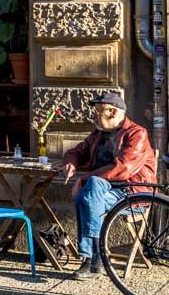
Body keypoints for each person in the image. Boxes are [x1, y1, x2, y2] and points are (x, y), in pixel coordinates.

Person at [62, 91, 157, 280]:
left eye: (98, 112)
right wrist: (71, 161)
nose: (93, 117)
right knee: (90, 192)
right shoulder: (99, 132)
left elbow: (123, 169)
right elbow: (77, 150)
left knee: (89, 190)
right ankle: (96, 258)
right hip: (102, 192)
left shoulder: (137, 133)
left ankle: (92, 259)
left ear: (113, 112)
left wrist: (83, 178)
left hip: (131, 192)